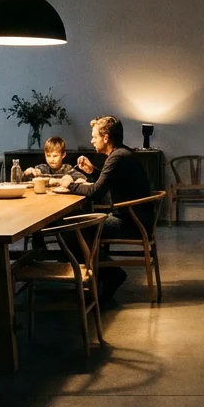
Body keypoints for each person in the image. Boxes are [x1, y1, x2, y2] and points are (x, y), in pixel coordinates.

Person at [48, 115, 153, 299]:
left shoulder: (117, 157)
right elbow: (108, 183)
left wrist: (69, 185)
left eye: (94, 136)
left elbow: (96, 192)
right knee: (76, 222)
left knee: (71, 227)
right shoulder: (120, 154)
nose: (92, 140)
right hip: (133, 218)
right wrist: (92, 171)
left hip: (131, 223)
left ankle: (110, 274)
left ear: (106, 138)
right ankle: (99, 273)